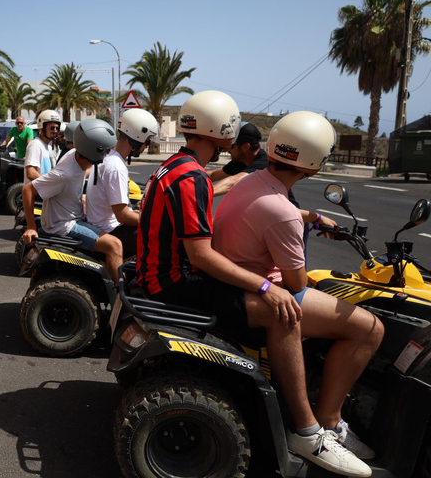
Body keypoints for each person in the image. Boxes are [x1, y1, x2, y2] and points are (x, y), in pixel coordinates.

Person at [137, 91, 374, 477]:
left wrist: (309, 217)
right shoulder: (193, 177)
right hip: (174, 281)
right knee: (283, 313)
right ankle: (308, 431)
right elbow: (200, 255)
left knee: (279, 301)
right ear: (224, 131)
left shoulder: (176, 167)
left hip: (161, 273)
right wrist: (267, 288)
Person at [213, 111, 382, 472]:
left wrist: (313, 217)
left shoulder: (250, 180)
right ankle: (326, 425)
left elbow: (275, 208)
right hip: (258, 290)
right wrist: (299, 221)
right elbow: (297, 284)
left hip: (233, 278)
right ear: (315, 163)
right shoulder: (283, 213)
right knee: (369, 328)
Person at [22, 119, 123, 283]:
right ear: (93, 151)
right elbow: (28, 189)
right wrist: (31, 227)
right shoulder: (65, 175)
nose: (107, 155)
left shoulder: (76, 155)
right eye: (105, 151)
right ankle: (122, 299)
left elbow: (88, 171)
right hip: (63, 224)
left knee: (111, 228)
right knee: (114, 245)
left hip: (72, 216)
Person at [207, 120, 338, 245]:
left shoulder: (263, 162)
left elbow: (232, 182)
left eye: (232, 146)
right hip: (269, 216)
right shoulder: (240, 161)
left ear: (246, 147)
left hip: (288, 220)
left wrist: (200, 194)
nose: (228, 149)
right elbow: (212, 175)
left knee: (291, 267)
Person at [86, 108, 156, 258]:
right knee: (161, 235)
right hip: (111, 229)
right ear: (138, 137)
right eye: (147, 141)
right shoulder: (116, 166)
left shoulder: (107, 155)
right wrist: (153, 219)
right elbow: (122, 216)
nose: (146, 146)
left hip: (101, 223)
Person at [24, 110, 60, 185]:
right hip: (35, 195)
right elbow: (31, 173)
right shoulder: (35, 145)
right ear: (42, 128)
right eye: (52, 128)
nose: (55, 131)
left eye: (57, 128)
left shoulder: (49, 146)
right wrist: (50, 183)